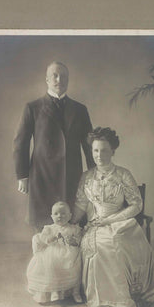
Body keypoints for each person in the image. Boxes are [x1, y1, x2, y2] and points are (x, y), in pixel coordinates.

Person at [72, 127, 154, 307]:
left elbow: (136, 205)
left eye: (104, 150)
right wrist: (70, 224)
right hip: (95, 223)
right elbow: (80, 205)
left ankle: (125, 294)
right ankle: (104, 296)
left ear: (112, 151)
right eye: (95, 150)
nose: (99, 155)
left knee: (116, 240)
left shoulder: (123, 174)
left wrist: (112, 220)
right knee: (100, 245)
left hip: (120, 221)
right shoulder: (87, 177)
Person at [13, 61, 94, 231]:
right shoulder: (33, 108)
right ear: (47, 80)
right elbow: (21, 142)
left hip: (71, 173)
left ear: (68, 80)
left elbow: (89, 145)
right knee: (43, 224)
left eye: (63, 76)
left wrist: (94, 173)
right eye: (55, 76)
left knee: (72, 222)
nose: (59, 79)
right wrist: (22, 175)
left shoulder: (80, 110)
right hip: (43, 174)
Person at [27, 201, 83, 304]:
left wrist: (73, 241)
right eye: (56, 214)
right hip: (53, 251)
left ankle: (75, 292)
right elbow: (42, 238)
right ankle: (54, 291)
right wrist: (49, 239)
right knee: (50, 263)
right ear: (52, 216)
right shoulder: (49, 228)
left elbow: (79, 240)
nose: (60, 216)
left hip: (69, 253)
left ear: (70, 216)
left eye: (63, 213)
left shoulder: (74, 229)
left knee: (76, 263)